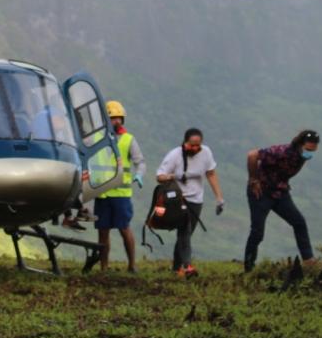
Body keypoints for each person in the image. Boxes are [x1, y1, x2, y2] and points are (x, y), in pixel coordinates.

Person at [243, 129, 320, 273]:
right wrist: (253, 180)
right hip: (260, 192)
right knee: (257, 232)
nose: (309, 153)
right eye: (307, 149)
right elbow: (252, 155)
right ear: (300, 145)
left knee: (299, 222)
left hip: (280, 192)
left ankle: (309, 260)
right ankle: (249, 267)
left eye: (312, 151)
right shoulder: (281, 152)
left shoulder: (302, 157)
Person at [156, 128, 224, 279]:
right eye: (191, 145)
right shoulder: (175, 155)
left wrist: (219, 198)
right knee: (184, 231)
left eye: (198, 145)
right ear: (185, 142)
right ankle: (187, 266)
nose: (194, 148)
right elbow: (159, 177)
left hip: (196, 200)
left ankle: (176, 269)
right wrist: (174, 176)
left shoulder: (206, 153)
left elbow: (211, 173)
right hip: (178, 200)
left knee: (185, 234)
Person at [90, 100, 145, 272]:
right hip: (102, 192)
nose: (117, 121)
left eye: (119, 118)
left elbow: (140, 162)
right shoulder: (96, 138)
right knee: (103, 231)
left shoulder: (129, 139)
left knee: (124, 228)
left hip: (121, 194)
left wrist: (139, 174)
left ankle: (132, 265)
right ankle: (104, 267)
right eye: (113, 118)